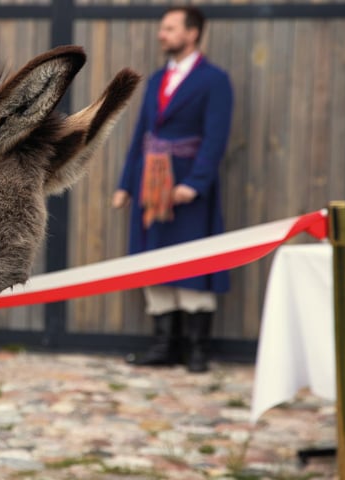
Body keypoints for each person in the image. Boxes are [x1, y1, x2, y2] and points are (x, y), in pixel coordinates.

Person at [112, 6, 233, 373]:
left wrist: (194, 185)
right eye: (162, 28)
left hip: (187, 189)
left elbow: (215, 139)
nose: (161, 34)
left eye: (169, 28)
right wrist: (125, 185)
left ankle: (196, 349)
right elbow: (142, 137)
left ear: (192, 33)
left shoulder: (214, 80)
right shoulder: (156, 80)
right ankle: (165, 346)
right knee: (154, 263)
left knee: (193, 262)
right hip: (151, 186)